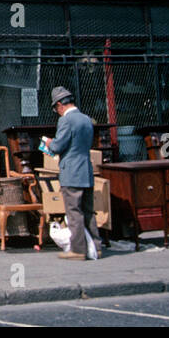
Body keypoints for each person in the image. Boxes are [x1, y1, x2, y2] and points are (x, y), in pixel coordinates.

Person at [41, 86, 99, 260]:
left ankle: (78, 250)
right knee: (89, 211)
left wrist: (49, 142)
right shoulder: (86, 119)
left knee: (73, 211)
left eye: (56, 109)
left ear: (60, 104)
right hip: (86, 169)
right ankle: (96, 247)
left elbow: (59, 146)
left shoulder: (66, 121)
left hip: (71, 172)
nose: (57, 112)